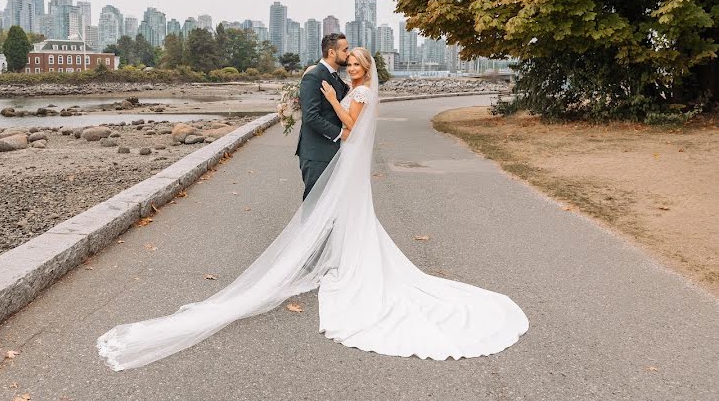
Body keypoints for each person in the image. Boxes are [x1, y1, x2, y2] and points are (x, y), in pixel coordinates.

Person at [97, 48, 528, 370]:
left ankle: (343, 262)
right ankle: (342, 257)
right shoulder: (359, 87)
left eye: (357, 63)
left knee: (350, 211)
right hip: (351, 162)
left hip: (350, 154)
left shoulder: (357, 92)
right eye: (350, 62)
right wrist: (328, 91)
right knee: (354, 213)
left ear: (366, 68)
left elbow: (351, 125)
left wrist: (331, 96)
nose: (352, 68)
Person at [296, 32, 350, 199]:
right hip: (316, 153)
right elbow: (311, 116)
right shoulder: (314, 76)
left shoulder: (335, 76)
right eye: (345, 50)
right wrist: (341, 134)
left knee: (328, 204)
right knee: (314, 202)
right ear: (332, 52)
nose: (348, 53)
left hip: (331, 151)